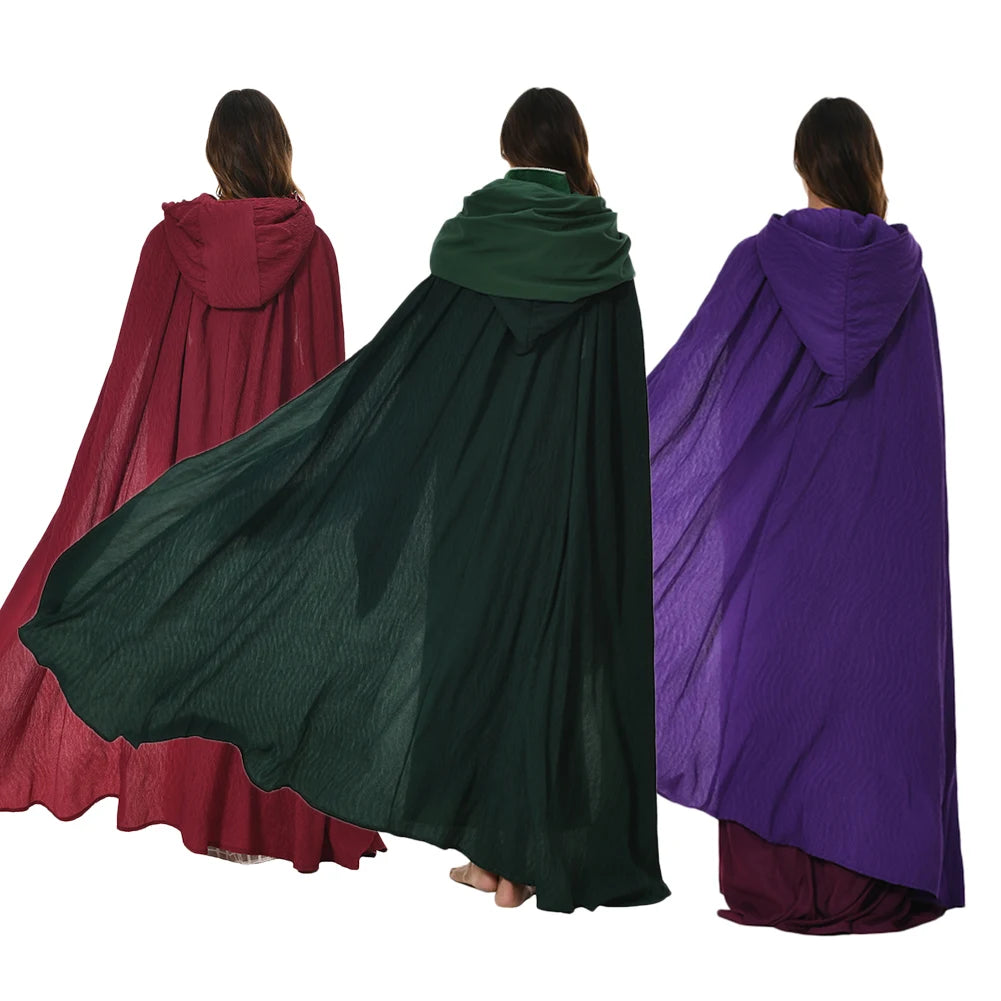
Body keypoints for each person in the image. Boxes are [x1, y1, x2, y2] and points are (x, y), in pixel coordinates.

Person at [20, 87, 669, 913]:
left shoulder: (470, 245)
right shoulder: (603, 262)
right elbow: (612, 406)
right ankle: (520, 860)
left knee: (469, 664)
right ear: (572, 149)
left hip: (458, 499)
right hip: (562, 502)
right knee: (545, 664)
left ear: (510, 150)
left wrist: (354, 490)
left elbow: (404, 375)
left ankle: (484, 859)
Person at [0, 88, 385, 872]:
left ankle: (192, 806)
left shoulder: (168, 245)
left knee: (185, 635)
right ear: (278, 151)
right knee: (262, 642)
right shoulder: (313, 249)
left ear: (218, 155)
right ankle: (247, 823)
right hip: (278, 487)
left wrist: (119, 488)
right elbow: (326, 384)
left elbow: (135, 373)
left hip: (186, 480)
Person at [647, 97, 963, 932]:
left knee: (772, 700)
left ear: (803, 166)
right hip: (877, 546)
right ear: (867, 166)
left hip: (774, 540)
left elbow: (697, 393)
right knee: (866, 706)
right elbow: (917, 433)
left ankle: (776, 887)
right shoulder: (906, 279)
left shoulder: (759, 263)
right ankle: (873, 883)